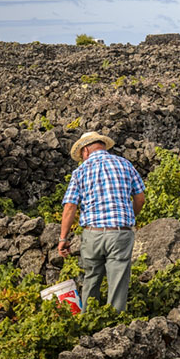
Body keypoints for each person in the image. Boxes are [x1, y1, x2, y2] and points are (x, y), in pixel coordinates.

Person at [58, 131, 146, 312]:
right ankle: (114, 324)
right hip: (120, 231)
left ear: (85, 151)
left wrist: (63, 239)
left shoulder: (80, 171)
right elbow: (140, 199)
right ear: (102, 146)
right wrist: (129, 218)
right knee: (118, 281)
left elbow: (69, 207)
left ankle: (89, 320)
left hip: (92, 234)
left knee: (91, 278)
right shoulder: (125, 165)